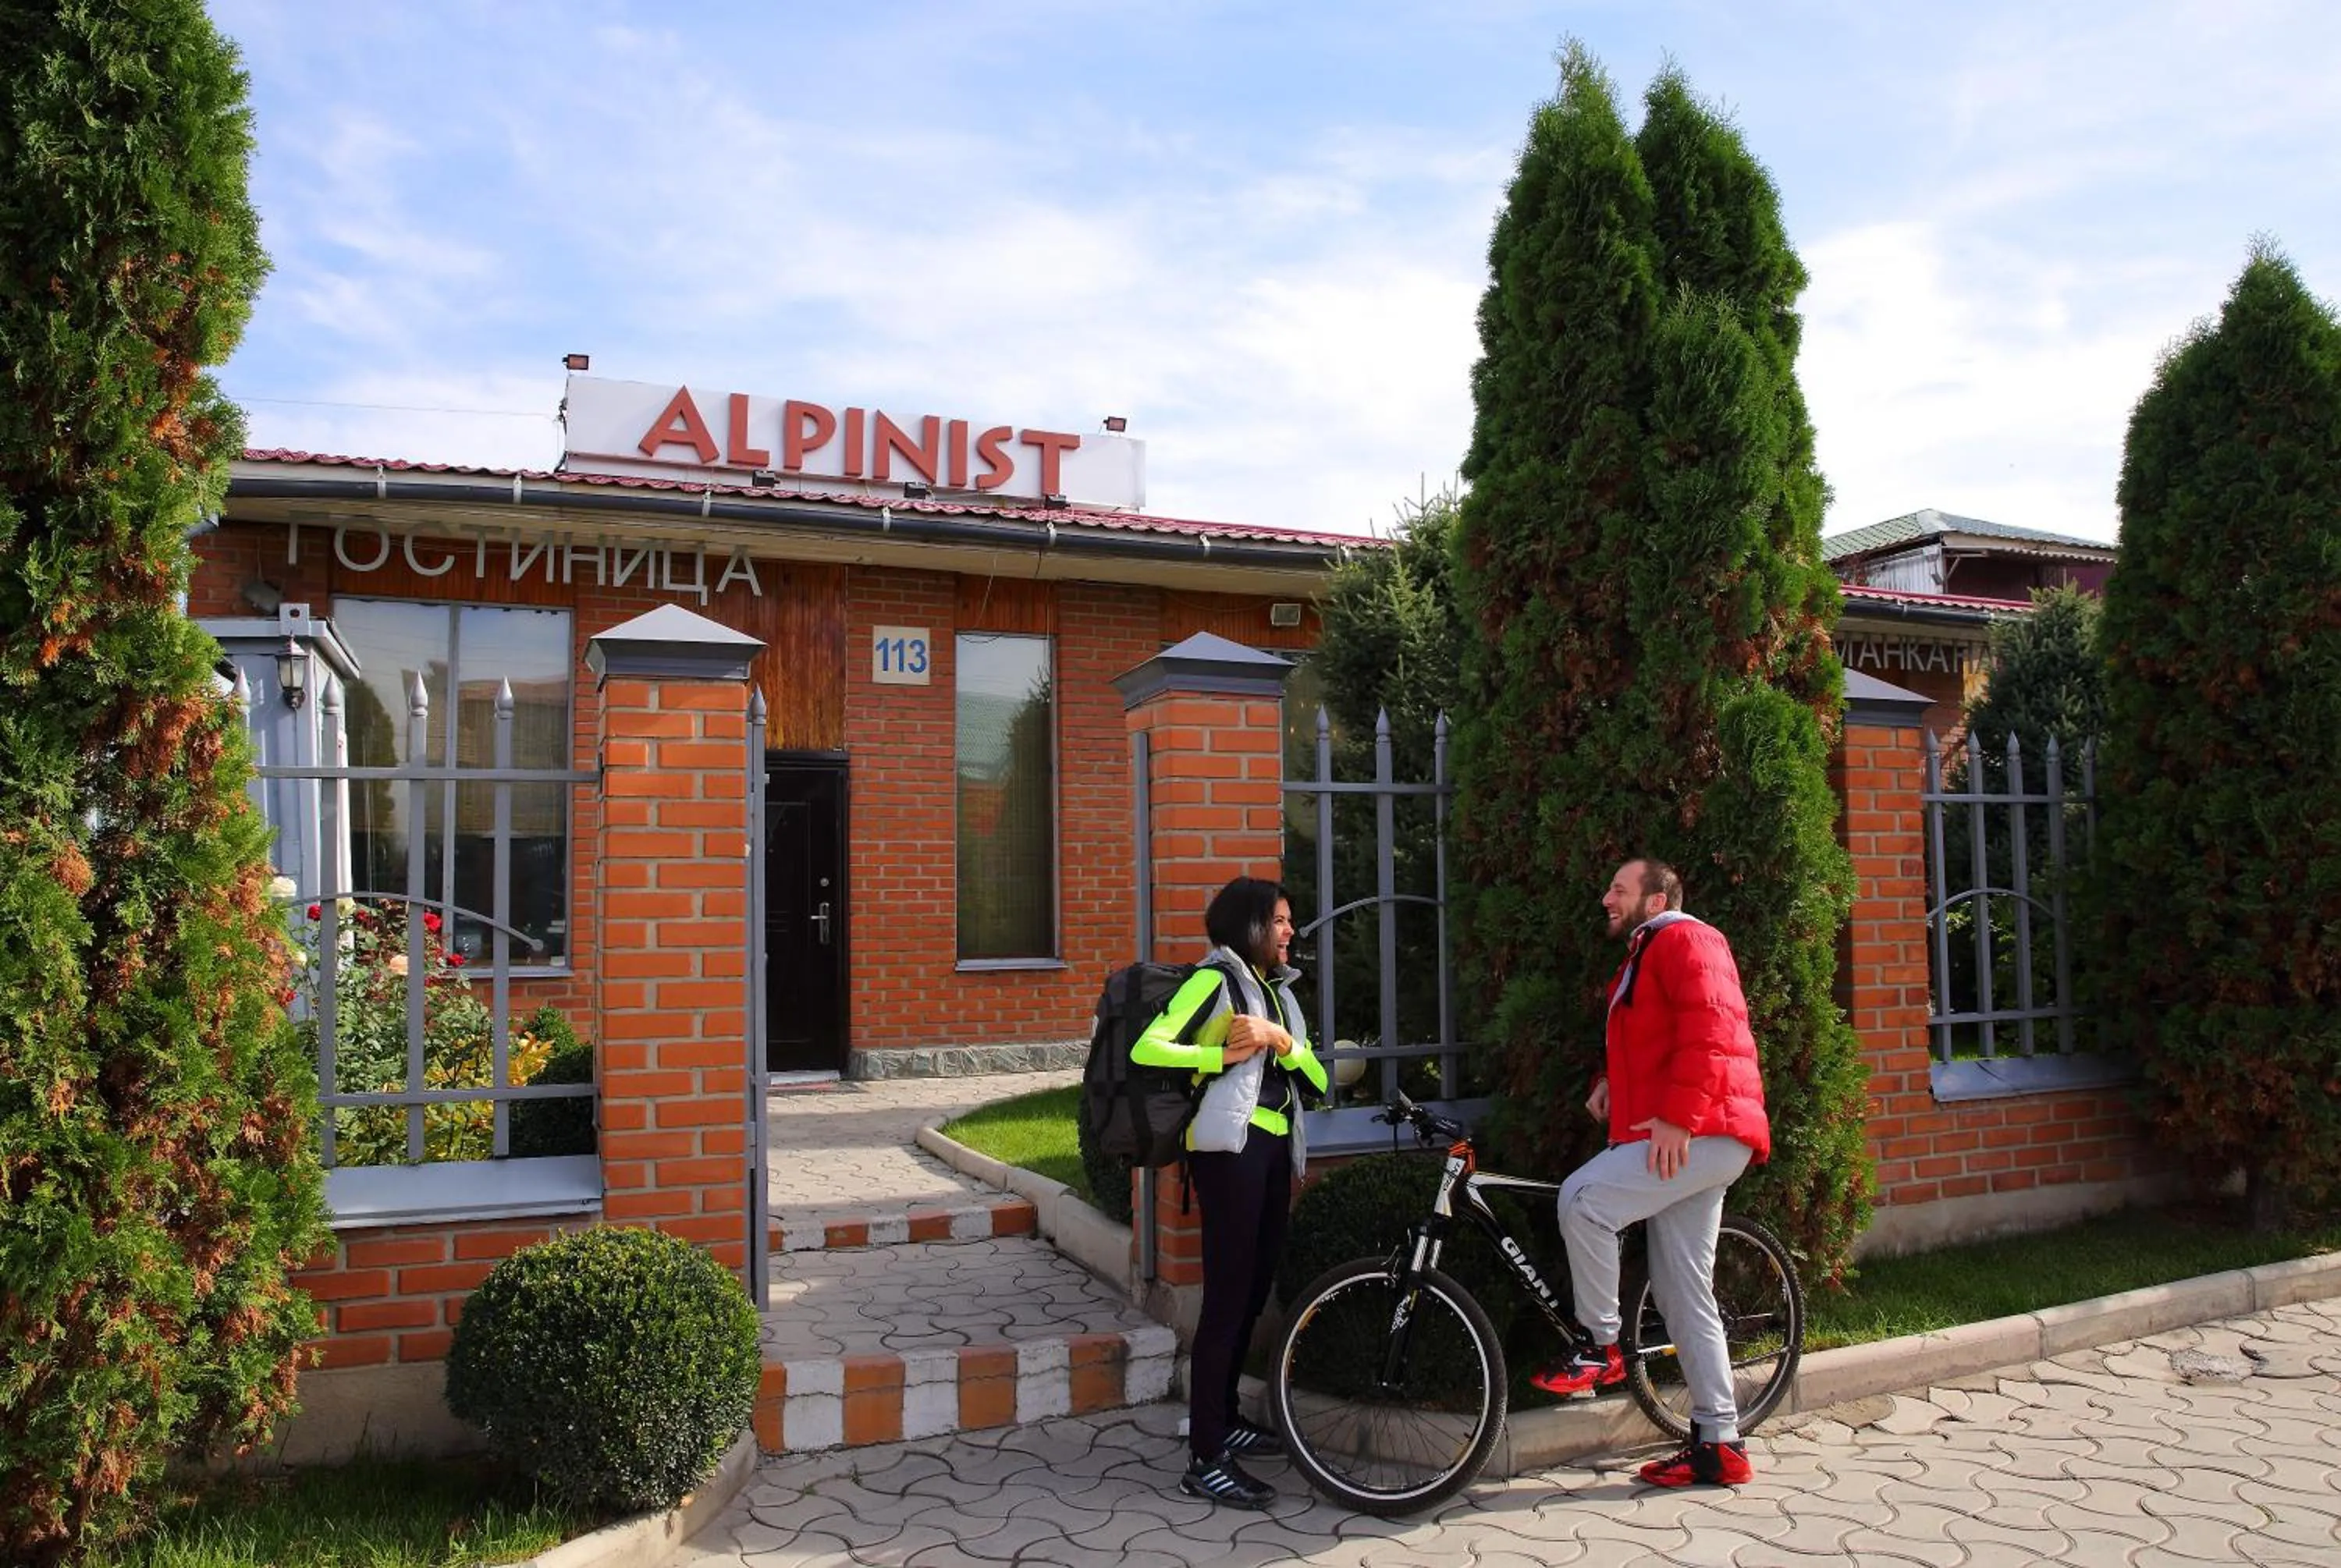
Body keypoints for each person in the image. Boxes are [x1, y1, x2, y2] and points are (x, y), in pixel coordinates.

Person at [1530, 857, 1771, 1488]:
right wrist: (1610, 1084)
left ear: (1657, 898)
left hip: (1701, 1134)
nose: (1606, 898)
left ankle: (1600, 1345)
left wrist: (1679, 1119)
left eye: (1619, 888)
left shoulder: (1688, 938)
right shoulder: (1649, 949)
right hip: (1699, 1135)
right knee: (1683, 1292)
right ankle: (1720, 1445)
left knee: (1583, 1200)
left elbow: (1712, 1031)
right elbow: (1656, 1041)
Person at [1131, 875, 1327, 1510]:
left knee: (1252, 1291)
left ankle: (1225, 1419)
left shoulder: (1280, 994)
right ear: (1252, 926)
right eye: (1280, 920)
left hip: (1273, 1153)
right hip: (1230, 1156)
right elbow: (1147, 1049)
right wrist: (1217, 1057)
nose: (1290, 931)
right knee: (1226, 1299)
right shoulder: (1213, 981)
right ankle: (1206, 1457)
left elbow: (1319, 1079)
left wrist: (1280, 1041)